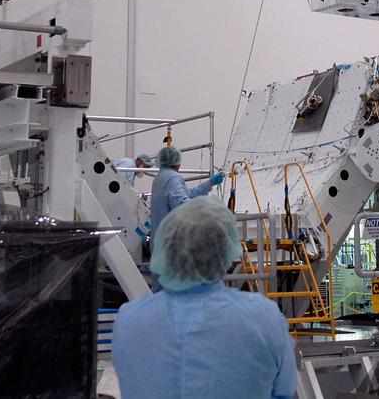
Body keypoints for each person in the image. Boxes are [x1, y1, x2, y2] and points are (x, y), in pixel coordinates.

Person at [114, 197, 295, 399]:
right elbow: (284, 391)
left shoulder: (128, 319)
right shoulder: (263, 318)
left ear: (166, 248)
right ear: (225, 249)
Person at [149, 144, 224, 235]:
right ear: (177, 162)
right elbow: (181, 203)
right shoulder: (173, 177)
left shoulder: (159, 178)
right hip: (171, 241)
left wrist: (210, 183)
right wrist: (207, 206)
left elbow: (185, 194)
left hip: (159, 239)